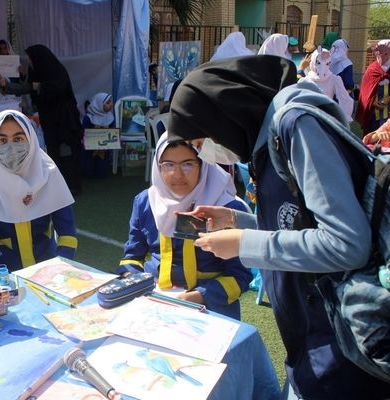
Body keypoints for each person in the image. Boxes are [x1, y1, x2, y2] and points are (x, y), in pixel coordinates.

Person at [167, 55, 390, 399]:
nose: (207, 155)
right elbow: (300, 223)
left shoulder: (295, 125)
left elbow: (347, 243)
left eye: (200, 144)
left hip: (341, 345)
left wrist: (245, 243)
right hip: (309, 340)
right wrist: (239, 222)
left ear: (220, 116)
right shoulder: (266, 140)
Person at [118, 134, 252, 319]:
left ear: (204, 165)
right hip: (153, 299)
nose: (177, 174)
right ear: (158, 167)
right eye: (168, 165)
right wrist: (132, 279)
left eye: (188, 164)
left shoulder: (227, 210)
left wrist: (197, 297)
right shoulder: (145, 201)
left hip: (210, 306)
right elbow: (132, 257)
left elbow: (240, 275)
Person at [0, 110, 77, 279]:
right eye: (2, 140)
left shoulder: (50, 174)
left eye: (18, 139)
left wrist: (61, 269)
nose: (11, 147)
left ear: (32, 140)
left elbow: (67, 232)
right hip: (4, 277)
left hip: (51, 274)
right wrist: (2, 280)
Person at [0, 44, 83, 195]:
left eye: (31, 59)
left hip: (63, 119)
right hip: (49, 118)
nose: (30, 62)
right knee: (53, 150)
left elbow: (58, 89)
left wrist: (40, 87)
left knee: (66, 151)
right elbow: (28, 87)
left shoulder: (57, 71)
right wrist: (8, 86)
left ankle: (72, 186)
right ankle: (57, 185)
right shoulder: (36, 71)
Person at [302, 46, 354, 121]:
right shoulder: (306, 80)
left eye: (327, 63)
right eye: (318, 63)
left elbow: (345, 99)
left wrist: (345, 118)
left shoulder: (334, 79)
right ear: (313, 62)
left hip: (326, 117)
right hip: (310, 117)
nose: (322, 67)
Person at [355, 39, 390, 133]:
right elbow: (366, 92)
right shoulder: (372, 69)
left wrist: (388, 98)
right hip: (374, 112)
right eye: (379, 52)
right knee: (373, 136)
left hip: (389, 109)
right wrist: (373, 101)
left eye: (385, 53)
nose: (382, 56)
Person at [80, 92, 114, 178]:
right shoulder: (89, 117)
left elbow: (113, 132)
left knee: (102, 172)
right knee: (88, 170)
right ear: (99, 104)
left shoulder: (110, 117)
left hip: (104, 148)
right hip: (90, 149)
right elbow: (84, 132)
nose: (111, 104)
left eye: (111, 102)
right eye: (108, 103)